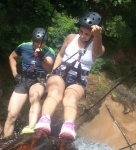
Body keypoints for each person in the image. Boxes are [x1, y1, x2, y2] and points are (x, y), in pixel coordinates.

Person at [34, 12, 105, 140]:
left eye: (87, 34)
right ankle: (44, 120)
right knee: (55, 91)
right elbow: (60, 55)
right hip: (60, 72)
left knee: (71, 98)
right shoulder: (71, 37)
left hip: (78, 79)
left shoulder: (97, 46)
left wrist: (98, 35)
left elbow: (97, 52)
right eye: (81, 31)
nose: (82, 36)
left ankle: (68, 127)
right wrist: (54, 70)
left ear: (93, 34)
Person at [4, 28, 55, 137]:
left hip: (39, 81)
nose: (39, 45)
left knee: (35, 96)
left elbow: (48, 65)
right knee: (11, 115)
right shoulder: (24, 46)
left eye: (42, 43)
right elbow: (12, 57)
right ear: (33, 40)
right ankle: (5, 141)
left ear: (45, 42)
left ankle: (31, 128)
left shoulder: (49, 51)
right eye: (36, 42)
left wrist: (42, 57)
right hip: (23, 80)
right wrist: (15, 74)